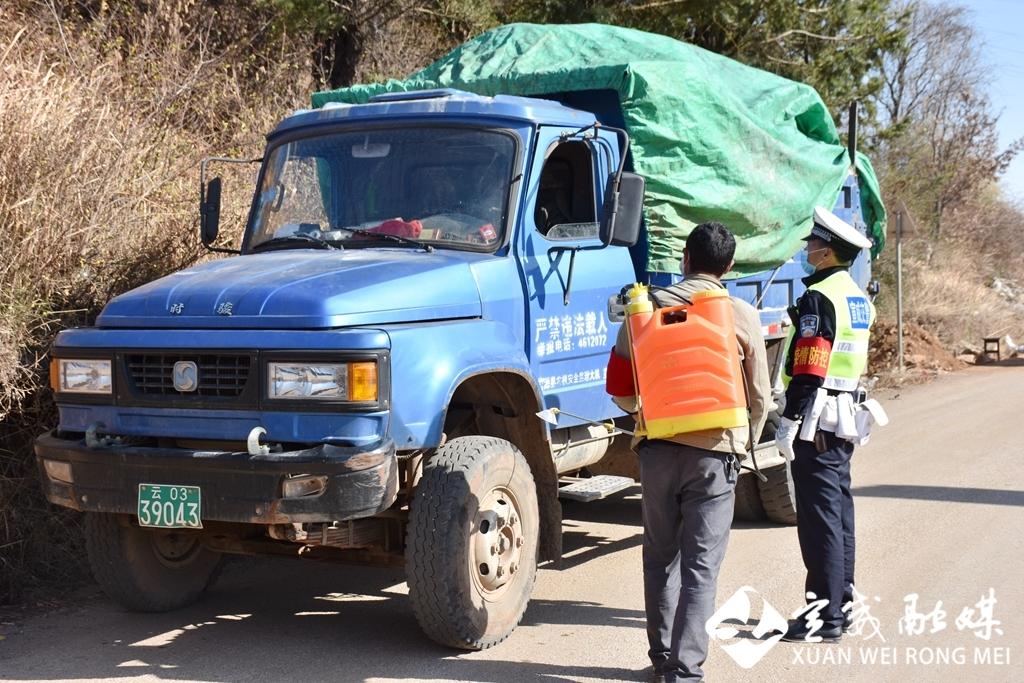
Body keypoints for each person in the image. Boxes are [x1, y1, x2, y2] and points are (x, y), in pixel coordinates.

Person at [606, 222, 771, 682]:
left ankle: (660, 659)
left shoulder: (643, 310)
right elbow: (759, 396)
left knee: (659, 557)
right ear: (730, 266)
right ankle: (685, 671)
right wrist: (744, 443)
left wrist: (648, 412)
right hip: (714, 456)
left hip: (657, 451)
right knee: (701, 568)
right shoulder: (739, 313)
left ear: (684, 258)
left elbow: (619, 388)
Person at [774, 206, 875, 644]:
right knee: (839, 515)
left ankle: (824, 615)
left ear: (827, 250)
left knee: (819, 521)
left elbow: (810, 365)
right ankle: (842, 605)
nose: (807, 250)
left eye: (812, 244)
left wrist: (790, 419)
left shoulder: (820, 297)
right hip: (845, 416)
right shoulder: (856, 294)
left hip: (818, 418)